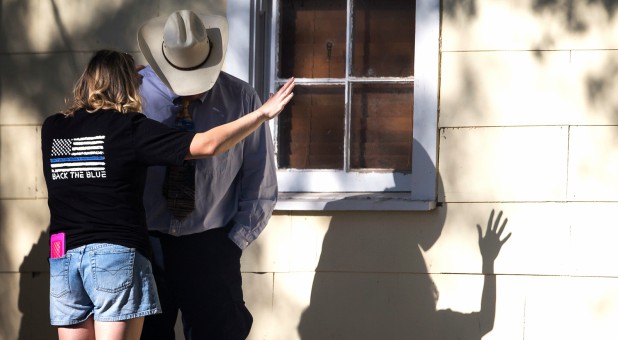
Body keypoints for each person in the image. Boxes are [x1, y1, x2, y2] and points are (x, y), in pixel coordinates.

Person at [41, 49, 294, 340]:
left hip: (65, 254)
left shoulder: (53, 128)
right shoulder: (129, 129)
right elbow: (207, 145)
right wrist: (262, 114)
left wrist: (232, 243)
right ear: (130, 83)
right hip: (119, 253)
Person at [136, 9, 281, 340]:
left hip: (211, 245)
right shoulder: (135, 98)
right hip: (146, 243)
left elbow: (260, 181)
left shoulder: (241, 99)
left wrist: (232, 243)